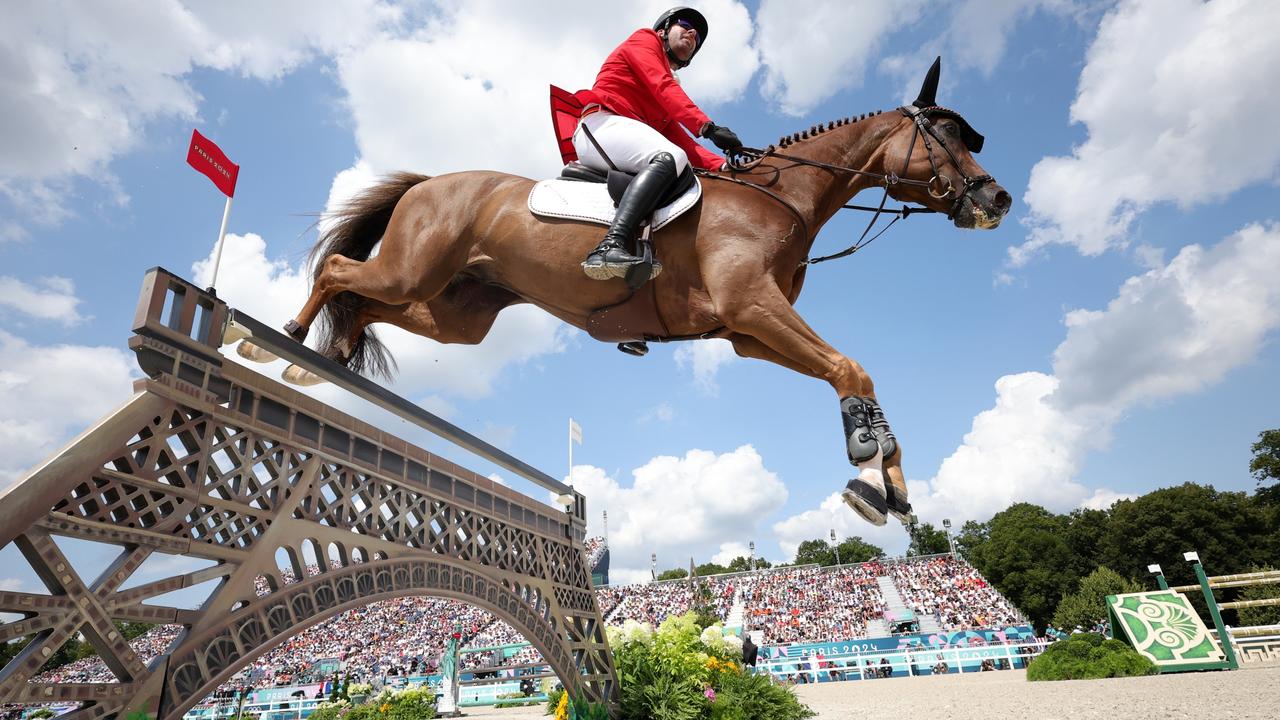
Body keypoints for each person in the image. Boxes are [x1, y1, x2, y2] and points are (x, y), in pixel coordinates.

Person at [562, 7, 743, 280]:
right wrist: (707, 127)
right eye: (685, 25)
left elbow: (686, 144)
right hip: (599, 125)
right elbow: (663, 87)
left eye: (698, 38)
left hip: (621, 136)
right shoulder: (644, 40)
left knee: (680, 158)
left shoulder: (666, 87)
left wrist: (728, 168)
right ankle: (610, 245)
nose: (692, 34)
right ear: (663, 30)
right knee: (670, 156)